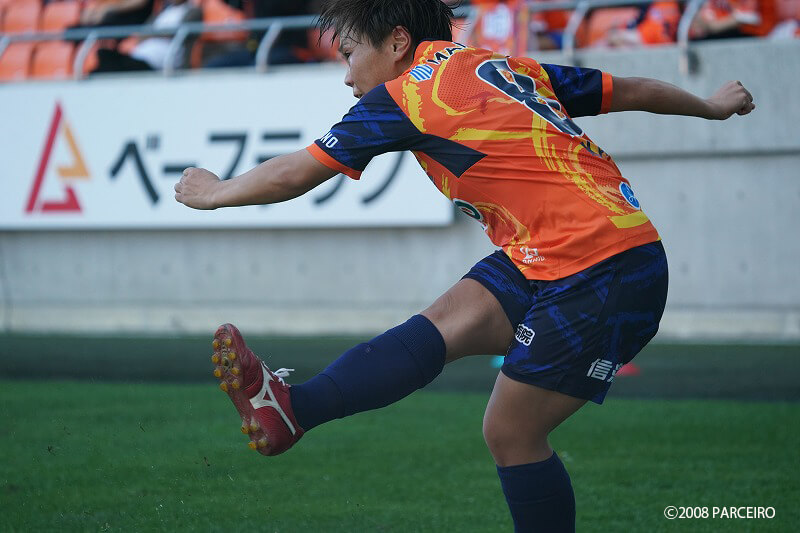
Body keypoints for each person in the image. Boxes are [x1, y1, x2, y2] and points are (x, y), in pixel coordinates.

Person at [174, 1, 755, 530]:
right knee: (447, 320)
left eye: (349, 54)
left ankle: (296, 410)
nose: (347, 76)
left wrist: (216, 192)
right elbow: (628, 89)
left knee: (511, 431)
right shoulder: (504, 67)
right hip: (565, 253)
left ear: (396, 42)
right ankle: (293, 410)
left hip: (602, 268)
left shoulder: (403, 97)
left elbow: (297, 172)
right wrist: (710, 106)